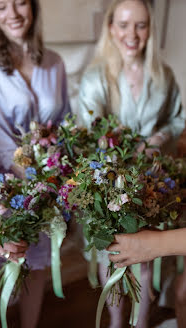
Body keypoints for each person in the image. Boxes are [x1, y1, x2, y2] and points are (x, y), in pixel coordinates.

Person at [78, 0, 185, 327]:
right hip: (107, 187)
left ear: (149, 29)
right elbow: (89, 129)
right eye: (124, 24)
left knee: (145, 256)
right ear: (111, 27)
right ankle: (114, 320)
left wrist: (157, 139)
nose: (132, 34)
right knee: (110, 256)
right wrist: (113, 149)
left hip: (152, 183)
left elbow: (178, 119)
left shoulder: (163, 75)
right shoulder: (95, 77)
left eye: (140, 25)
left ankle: (139, 322)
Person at [0, 0, 70, 327]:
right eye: (1, 6)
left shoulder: (55, 63)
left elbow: (64, 124)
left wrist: (60, 179)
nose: (12, 13)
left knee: (37, 264)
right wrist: (32, 177)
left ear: (34, 6)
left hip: (49, 185)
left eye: (20, 3)